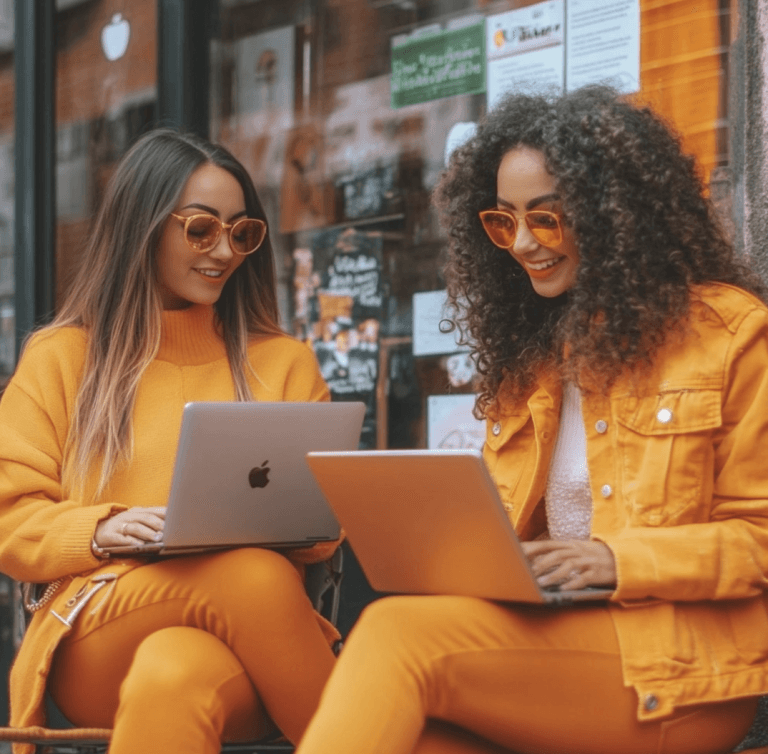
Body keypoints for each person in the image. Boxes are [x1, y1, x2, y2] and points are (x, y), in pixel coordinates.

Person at [294, 86, 768, 754]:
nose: (521, 244)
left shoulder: (732, 334)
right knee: (418, 736)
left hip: (682, 674)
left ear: (614, 215)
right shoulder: (533, 362)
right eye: (501, 221)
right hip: (554, 641)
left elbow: (759, 540)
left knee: (397, 635)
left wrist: (612, 559)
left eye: (545, 219)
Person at [0, 128, 340, 754]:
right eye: (200, 229)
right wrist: (99, 530)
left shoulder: (286, 363)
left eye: (241, 233)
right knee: (259, 576)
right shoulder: (62, 357)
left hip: (245, 643)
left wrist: (314, 520)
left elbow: (323, 537)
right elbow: (9, 521)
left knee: (173, 675)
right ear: (142, 226)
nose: (224, 251)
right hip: (97, 626)